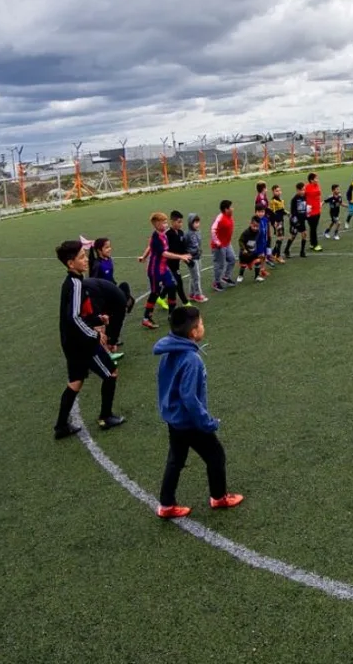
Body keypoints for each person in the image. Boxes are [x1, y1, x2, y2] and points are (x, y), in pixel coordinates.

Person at [153, 306, 243, 519]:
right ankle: (219, 497)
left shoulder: (169, 352)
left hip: (174, 420)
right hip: (189, 422)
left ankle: (166, 504)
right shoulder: (192, 360)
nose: (203, 327)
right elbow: (189, 398)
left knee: (176, 459)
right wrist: (207, 422)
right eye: (201, 324)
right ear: (193, 332)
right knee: (215, 455)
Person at [54, 240, 124, 438]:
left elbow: (78, 314)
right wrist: (95, 334)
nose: (86, 260)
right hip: (82, 344)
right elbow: (74, 318)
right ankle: (105, 417)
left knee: (76, 381)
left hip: (71, 342)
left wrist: (97, 318)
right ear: (70, 263)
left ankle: (60, 427)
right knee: (111, 372)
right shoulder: (75, 284)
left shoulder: (72, 282)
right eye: (82, 257)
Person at [138, 212, 188, 329]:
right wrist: (181, 256)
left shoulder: (162, 234)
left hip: (164, 269)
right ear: (156, 223)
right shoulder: (156, 238)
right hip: (155, 271)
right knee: (155, 293)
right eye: (164, 222)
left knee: (172, 286)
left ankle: (172, 314)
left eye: (166, 222)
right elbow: (164, 253)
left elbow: (149, 247)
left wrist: (144, 257)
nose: (166, 225)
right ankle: (146, 318)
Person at [88, 237, 133, 355]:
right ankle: (109, 344)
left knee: (124, 286)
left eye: (109, 246)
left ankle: (111, 340)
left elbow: (111, 279)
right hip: (104, 298)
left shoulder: (108, 259)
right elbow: (94, 283)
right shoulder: (97, 265)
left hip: (112, 293)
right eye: (106, 247)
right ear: (99, 250)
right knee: (114, 318)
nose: (109, 249)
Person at [165, 211, 191, 307]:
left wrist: (187, 256)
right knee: (178, 282)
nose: (180, 224)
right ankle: (186, 302)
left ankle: (161, 298)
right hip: (167, 265)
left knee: (170, 284)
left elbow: (182, 247)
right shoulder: (167, 234)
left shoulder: (180, 233)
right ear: (172, 222)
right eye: (178, 222)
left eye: (181, 222)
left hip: (176, 263)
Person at [211, 200, 237, 292]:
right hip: (219, 246)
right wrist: (217, 242)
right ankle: (216, 282)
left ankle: (226, 277)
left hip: (227, 243)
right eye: (231, 207)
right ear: (226, 209)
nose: (233, 208)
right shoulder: (220, 218)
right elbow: (213, 230)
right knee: (220, 264)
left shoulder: (229, 216)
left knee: (232, 259)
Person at [237, 218, 268, 282]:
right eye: (254, 226)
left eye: (257, 226)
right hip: (244, 253)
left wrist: (260, 250)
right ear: (250, 224)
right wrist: (243, 249)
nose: (255, 228)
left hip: (253, 252)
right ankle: (240, 275)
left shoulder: (258, 232)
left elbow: (258, 241)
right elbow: (240, 241)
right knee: (243, 265)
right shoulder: (246, 232)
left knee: (258, 261)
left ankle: (257, 276)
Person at [185, 213, 208, 300]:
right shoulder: (187, 234)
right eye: (195, 222)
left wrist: (199, 250)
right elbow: (185, 246)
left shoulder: (198, 232)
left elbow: (198, 243)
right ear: (190, 223)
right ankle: (198, 295)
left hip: (198, 256)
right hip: (192, 259)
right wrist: (188, 255)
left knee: (195, 276)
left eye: (198, 222)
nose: (197, 224)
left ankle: (191, 294)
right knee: (196, 277)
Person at [285, 182, 310, 258]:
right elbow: (293, 212)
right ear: (297, 190)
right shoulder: (294, 199)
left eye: (304, 190)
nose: (303, 191)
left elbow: (305, 207)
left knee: (304, 234)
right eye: (301, 190)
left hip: (302, 220)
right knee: (293, 236)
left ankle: (302, 251)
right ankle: (287, 250)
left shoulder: (305, 197)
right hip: (295, 221)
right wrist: (295, 222)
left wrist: (306, 215)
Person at [304, 172, 324, 252]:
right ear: (311, 180)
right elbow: (304, 197)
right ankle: (315, 244)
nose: (317, 180)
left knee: (313, 228)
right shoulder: (307, 187)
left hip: (317, 210)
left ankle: (312, 244)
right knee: (313, 228)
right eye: (316, 178)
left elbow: (318, 194)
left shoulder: (317, 186)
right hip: (311, 212)